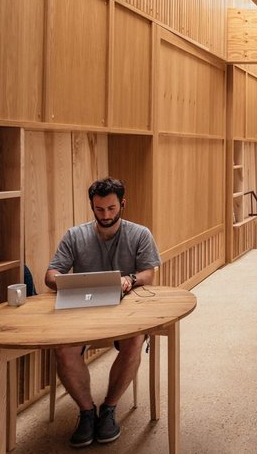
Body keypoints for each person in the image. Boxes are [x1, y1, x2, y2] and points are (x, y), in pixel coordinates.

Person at [44, 177, 160, 448]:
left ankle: (109, 409)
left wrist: (130, 279)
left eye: (111, 209)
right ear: (92, 206)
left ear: (122, 204)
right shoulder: (75, 235)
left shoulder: (140, 233)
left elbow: (149, 273)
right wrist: (60, 281)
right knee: (63, 349)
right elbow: (51, 274)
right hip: (82, 309)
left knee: (134, 339)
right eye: (99, 210)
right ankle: (86, 412)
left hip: (124, 310)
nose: (105, 215)